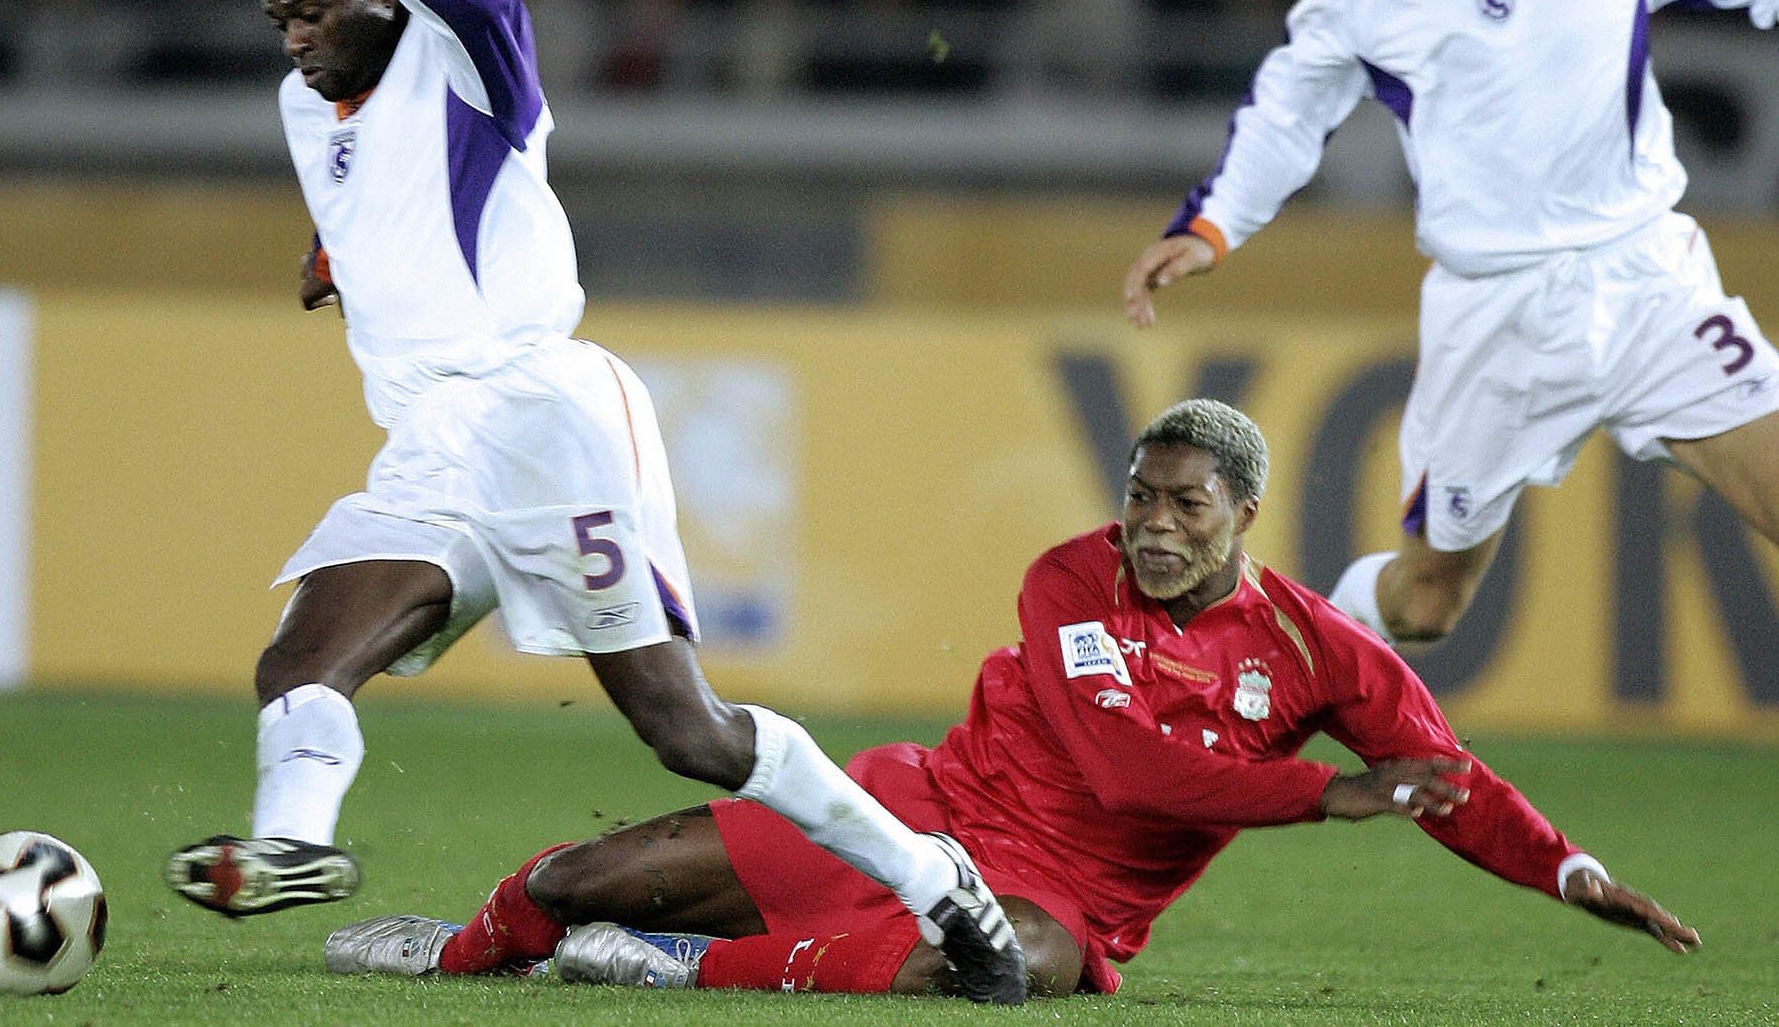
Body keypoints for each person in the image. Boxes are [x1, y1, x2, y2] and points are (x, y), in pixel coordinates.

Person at [163, 0, 1029, 1004]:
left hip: (546, 417)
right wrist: (330, 259)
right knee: (299, 662)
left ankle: (935, 880)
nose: (295, 35)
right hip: (429, 444)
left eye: (313, 4)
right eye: (277, 19)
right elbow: (378, 205)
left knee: (688, 732)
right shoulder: (309, 110)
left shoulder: (466, 57)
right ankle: (296, 844)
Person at [320, 400, 1697, 998]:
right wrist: (1332, 793)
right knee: (583, 877)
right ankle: (451, 953)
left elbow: (1450, 780)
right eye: (1141, 498)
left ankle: (674, 971)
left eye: (1185, 507)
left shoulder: (1323, 650)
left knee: (1003, 970)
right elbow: (1127, 774)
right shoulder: (1069, 583)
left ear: (1246, 517)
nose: (1152, 527)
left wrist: (1572, 872)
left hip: (1066, 903)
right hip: (912, 816)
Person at [1123, 0, 1779, 647]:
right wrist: (1212, 225)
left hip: (1649, 286)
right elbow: (1288, 109)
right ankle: (1297, 640)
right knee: (1428, 603)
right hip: (1495, 315)